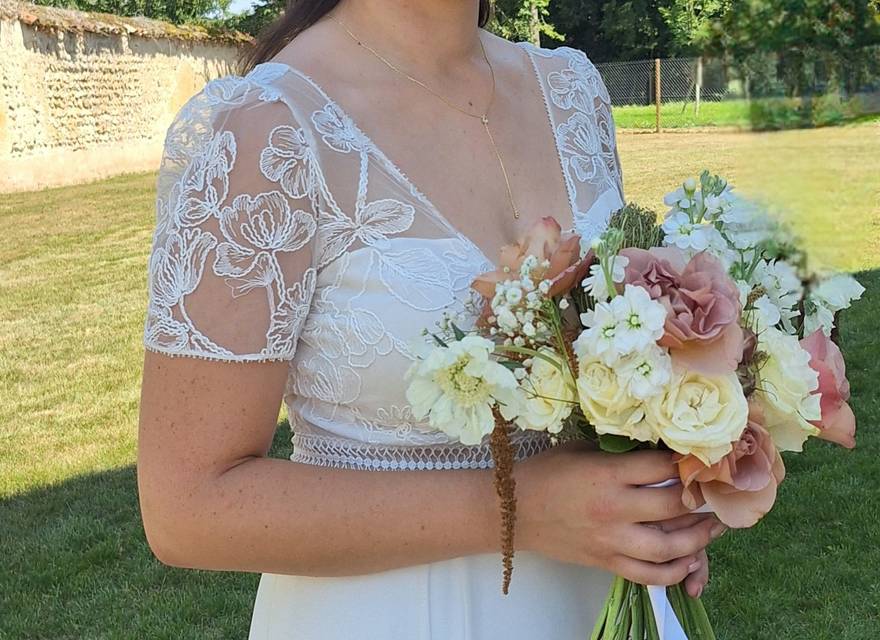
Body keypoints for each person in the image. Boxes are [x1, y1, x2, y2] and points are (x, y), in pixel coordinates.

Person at [136, 1, 724, 637]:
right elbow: (188, 507)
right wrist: (518, 510)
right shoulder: (267, 129)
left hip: (598, 599)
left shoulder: (572, 90)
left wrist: (665, 481)